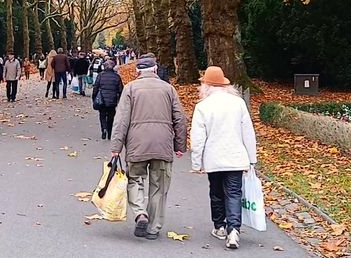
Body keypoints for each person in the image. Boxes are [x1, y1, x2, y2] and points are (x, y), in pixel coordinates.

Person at [110, 55, 187, 240]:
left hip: (137, 145)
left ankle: (140, 213)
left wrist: (116, 147)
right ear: (155, 69)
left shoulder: (130, 89)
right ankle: (153, 228)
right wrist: (180, 145)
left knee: (134, 180)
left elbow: (121, 120)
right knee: (159, 187)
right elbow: (180, 119)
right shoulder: (169, 89)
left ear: (137, 71)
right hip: (162, 145)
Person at [190, 66, 257, 250]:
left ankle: (219, 226)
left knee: (217, 192)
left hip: (214, 158)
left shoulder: (202, 107)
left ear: (207, 86)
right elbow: (248, 133)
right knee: (234, 193)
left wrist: (196, 163)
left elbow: (197, 138)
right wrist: (252, 159)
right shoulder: (238, 103)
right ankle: (233, 229)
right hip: (236, 157)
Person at [92, 60, 123, 140]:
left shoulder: (100, 75)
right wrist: (119, 100)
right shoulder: (116, 76)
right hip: (112, 100)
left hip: (102, 99)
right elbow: (120, 90)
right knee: (111, 116)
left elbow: (96, 87)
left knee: (102, 115)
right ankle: (109, 132)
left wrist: (94, 97)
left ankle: (104, 129)